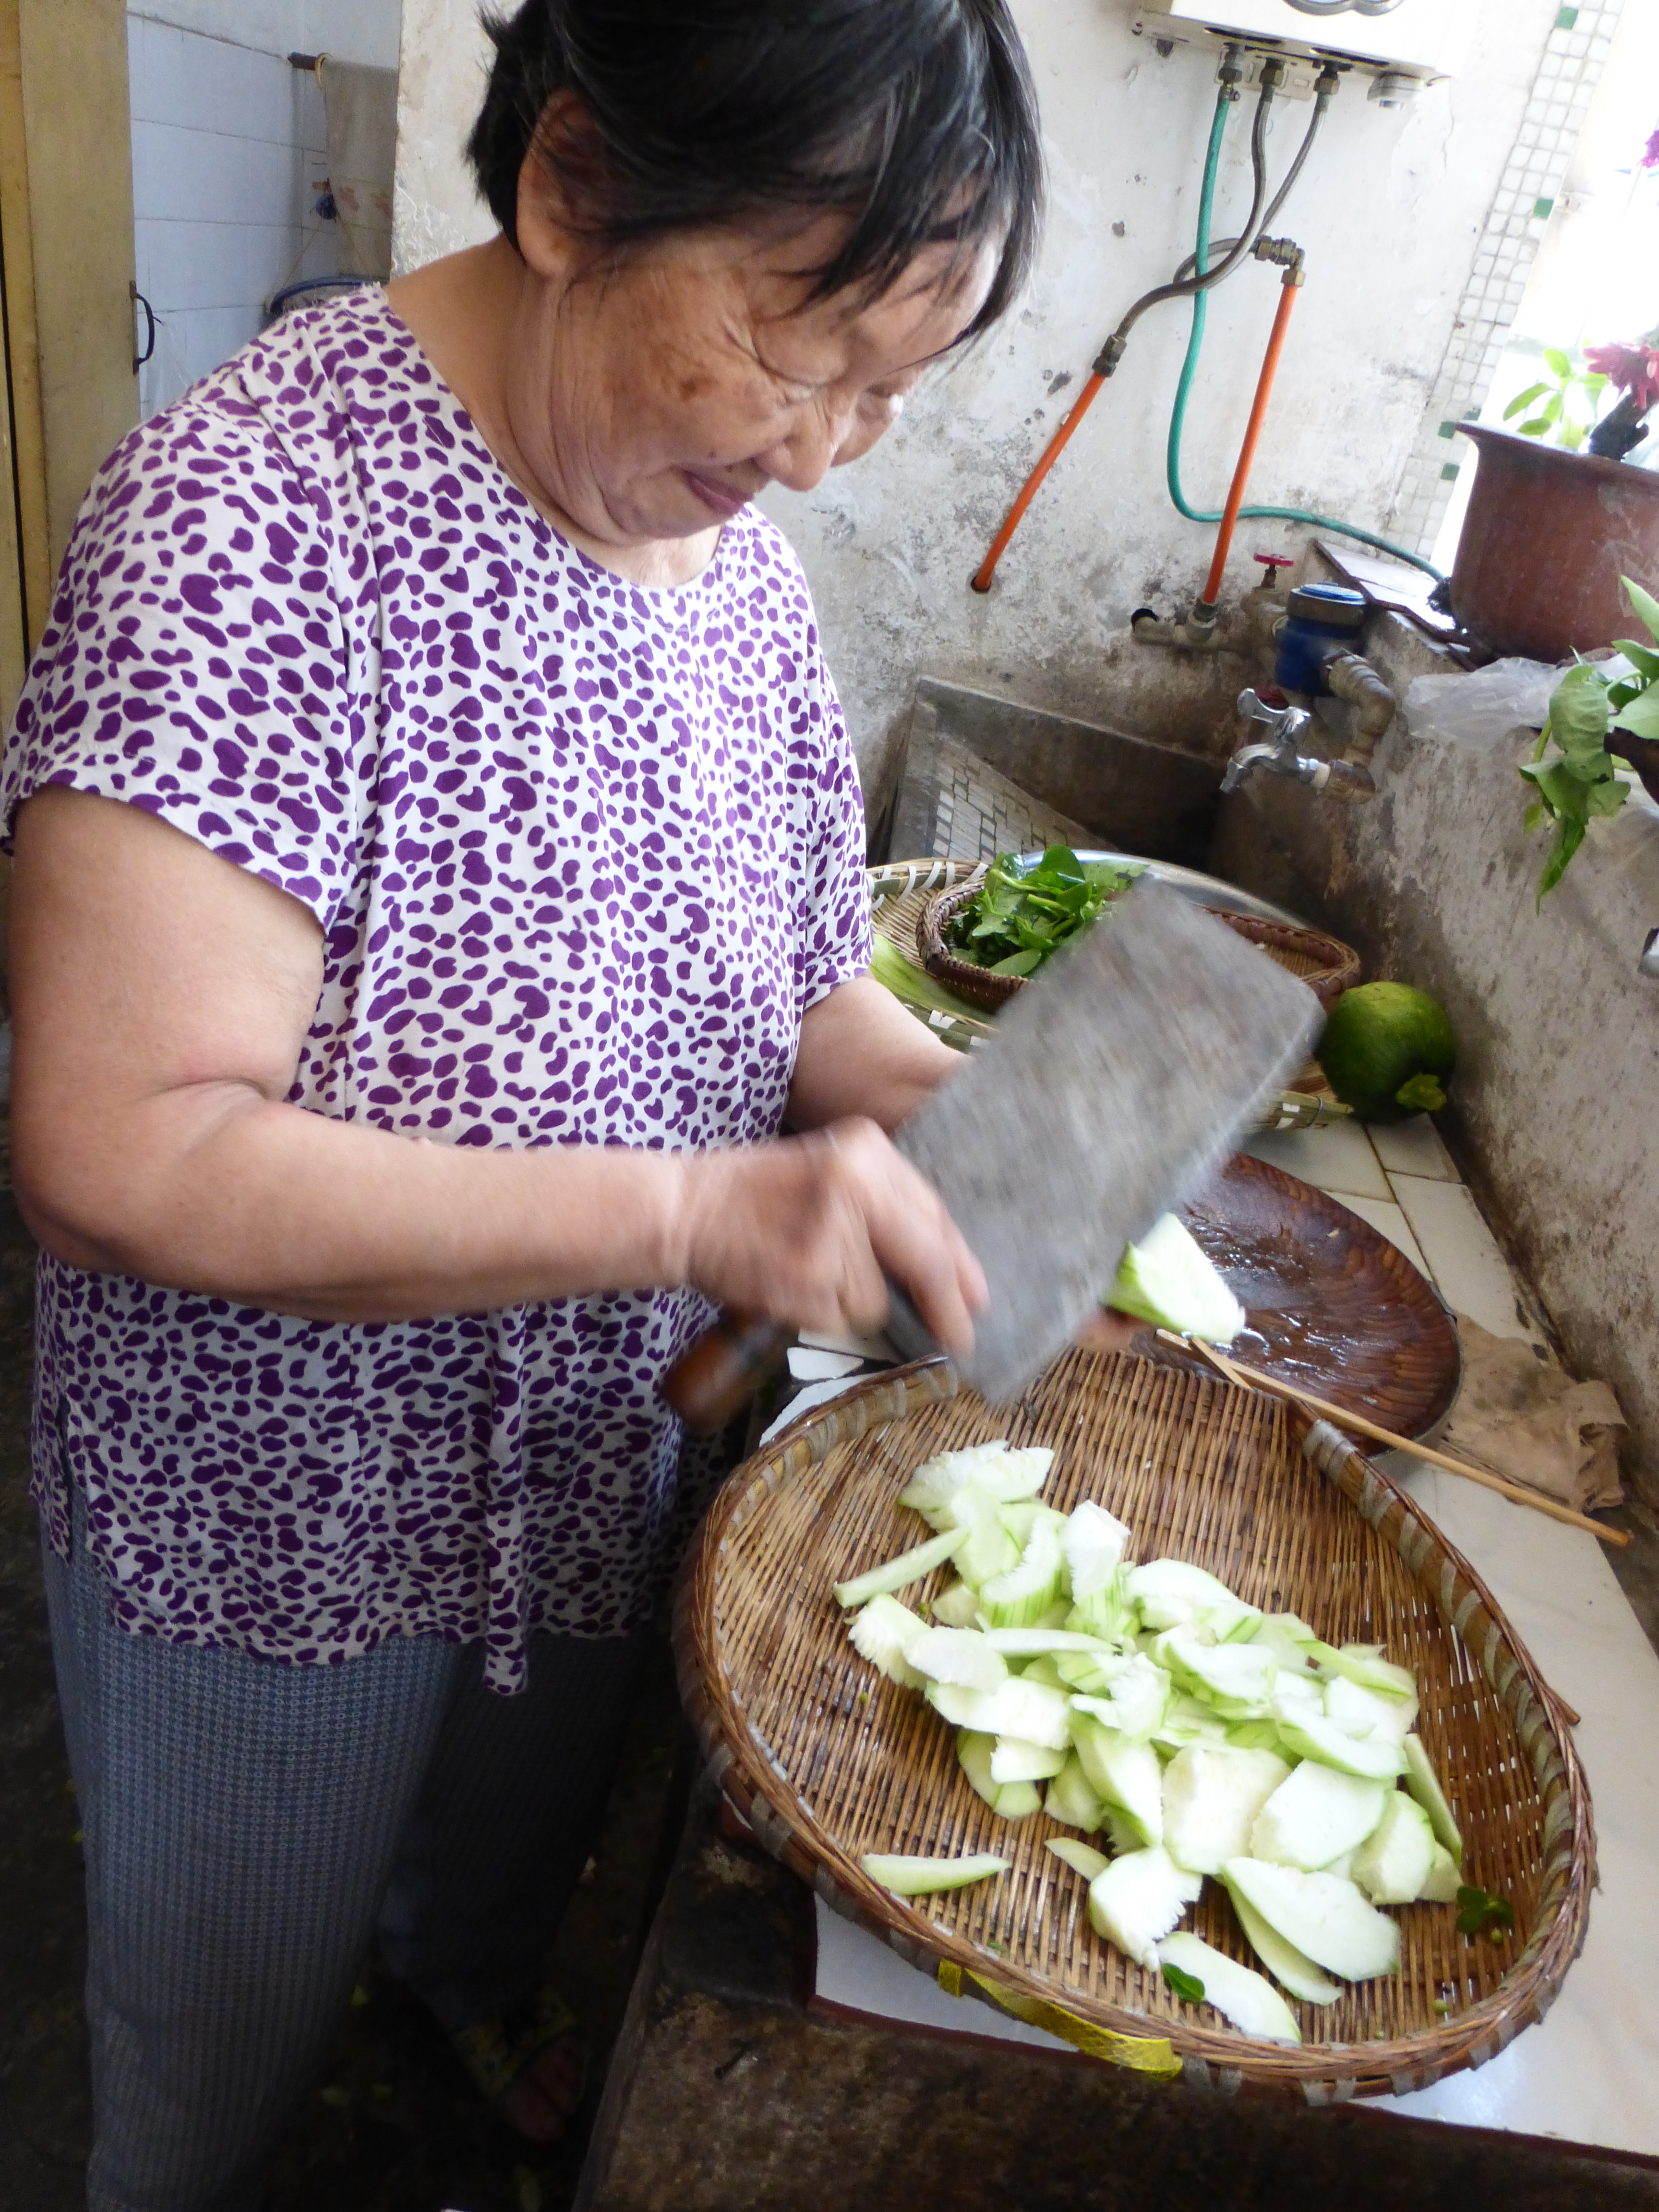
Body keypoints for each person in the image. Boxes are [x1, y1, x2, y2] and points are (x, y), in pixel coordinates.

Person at [3, 4, 1128, 2204]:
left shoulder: (729, 566)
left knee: (479, 1910)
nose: (821, 453)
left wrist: (988, 1108)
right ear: (574, 189)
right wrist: (701, 1218)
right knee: (223, 2046)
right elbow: (124, 1153)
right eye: (800, 354)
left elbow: (799, 981)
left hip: (596, 1470)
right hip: (279, 1526)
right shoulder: (249, 528)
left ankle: (452, 2020)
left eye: (893, 392)